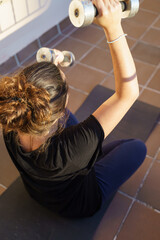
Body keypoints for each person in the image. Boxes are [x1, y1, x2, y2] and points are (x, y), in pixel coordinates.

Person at [0, 0, 146, 218]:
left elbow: (38, 95)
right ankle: (92, 160)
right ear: (58, 111)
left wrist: (52, 71)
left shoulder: (11, 118)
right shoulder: (74, 146)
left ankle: (89, 156)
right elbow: (128, 92)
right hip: (80, 204)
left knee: (84, 139)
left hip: (39, 190)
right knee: (137, 148)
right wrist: (113, 27)